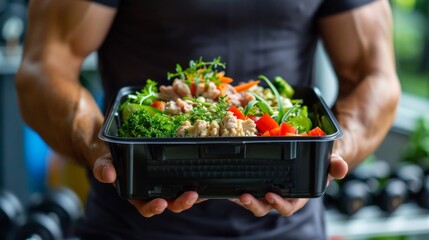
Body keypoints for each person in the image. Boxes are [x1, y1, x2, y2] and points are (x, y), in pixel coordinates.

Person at [15, 0, 400, 239]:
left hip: (289, 228)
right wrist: (102, 150)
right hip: (133, 227)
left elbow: (375, 77)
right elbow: (43, 70)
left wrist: (325, 159)